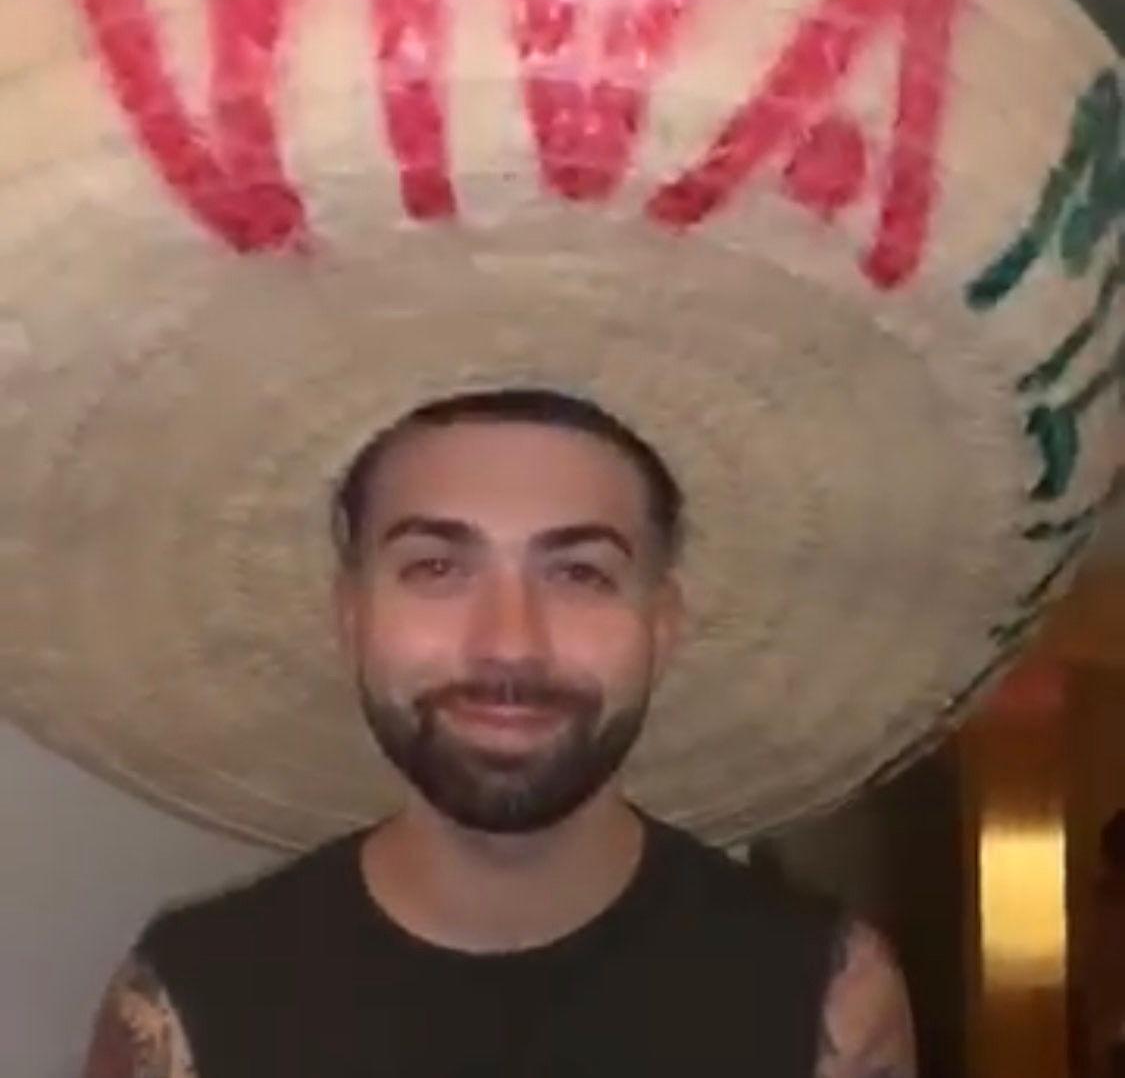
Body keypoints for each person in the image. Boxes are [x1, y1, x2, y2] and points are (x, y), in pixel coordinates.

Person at [81, 388, 915, 1078]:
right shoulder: (189, 1000)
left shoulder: (825, 996)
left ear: (662, 628)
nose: (510, 643)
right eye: (436, 568)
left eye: (579, 573)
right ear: (350, 616)